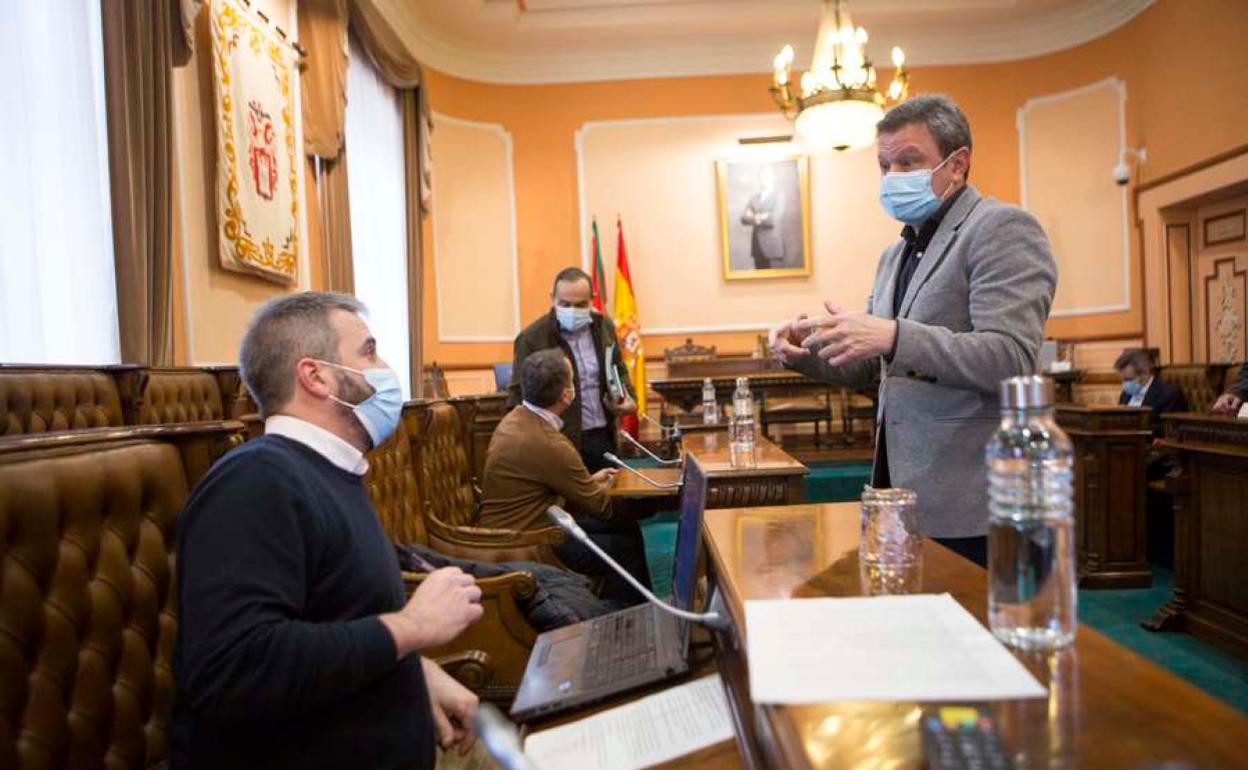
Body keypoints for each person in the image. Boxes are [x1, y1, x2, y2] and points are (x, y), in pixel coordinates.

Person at [174, 292, 484, 769]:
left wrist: (411, 670)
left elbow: (333, 620)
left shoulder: (326, 472)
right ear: (315, 376)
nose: (384, 367)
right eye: (368, 351)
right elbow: (235, 667)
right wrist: (413, 628)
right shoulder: (256, 480)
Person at [769, 94, 1057, 568]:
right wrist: (808, 353)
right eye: (884, 165)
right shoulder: (893, 255)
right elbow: (875, 367)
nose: (893, 177)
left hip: (975, 500)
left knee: (973, 637)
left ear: (957, 164)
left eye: (909, 161)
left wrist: (893, 336)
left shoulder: (1001, 228)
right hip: (899, 486)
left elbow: (1012, 358)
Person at [482, 348, 651, 605]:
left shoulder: (516, 418)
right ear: (567, 394)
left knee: (625, 531)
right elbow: (604, 509)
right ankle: (621, 623)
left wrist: (588, 482)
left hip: (523, 528)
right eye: (573, 379)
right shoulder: (549, 443)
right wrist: (663, 500)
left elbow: (537, 486)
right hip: (527, 541)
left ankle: (641, 611)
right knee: (624, 549)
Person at [508, 267, 636, 473]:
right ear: (552, 298)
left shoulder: (604, 327)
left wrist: (628, 399)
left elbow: (618, 370)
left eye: (581, 305)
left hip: (601, 437)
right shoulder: (531, 338)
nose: (572, 311)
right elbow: (517, 397)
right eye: (565, 304)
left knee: (607, 501)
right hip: (556, 441)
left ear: (592, 300)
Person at [1115, 348, 1187, 438]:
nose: (1125, 384)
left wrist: (1135, 429)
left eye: (1129, 379)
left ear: (1145, 372)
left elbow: (1170, 429)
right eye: (1122, 380)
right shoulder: (1126, 395)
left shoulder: (1169, 394)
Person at [743, 164, 785, 270]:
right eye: (762, 175)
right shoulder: (754, 198)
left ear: (774, 177)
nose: (764, 178)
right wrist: (762, 216)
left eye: (768, 175)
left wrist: (753, 216)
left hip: (773, 248)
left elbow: (772, 220)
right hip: (757, 247)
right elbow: (744, 218)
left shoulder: (780, 196)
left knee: (777, 284)